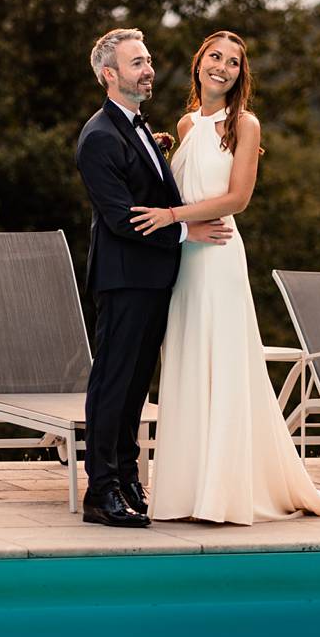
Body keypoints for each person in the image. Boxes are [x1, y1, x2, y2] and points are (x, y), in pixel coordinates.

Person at [132, 30, 320, 523]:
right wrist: (179, 213)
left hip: (220, 256)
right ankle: (187, 490)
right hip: (187, 258)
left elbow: (237, 200)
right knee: (189, 361)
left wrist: (172, 217)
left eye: (233, 62)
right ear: (199, 62)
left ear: (239, 75)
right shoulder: (186, 125)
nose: (222, 67)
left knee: (225, 363)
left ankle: (224, 493)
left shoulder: (244, 124)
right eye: (215, 57)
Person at [76, 28, 231, 529]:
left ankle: (125, 478)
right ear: (109, 75)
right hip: (123, 279)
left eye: (147, 60)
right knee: (113, 384)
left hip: (152, 279)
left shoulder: (138, 127)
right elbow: (125, 219)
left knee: (136, 387)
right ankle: (100, 491)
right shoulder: (98, 136)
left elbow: (148, 184)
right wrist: (189, 228)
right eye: (137, 63)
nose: (148, 70)